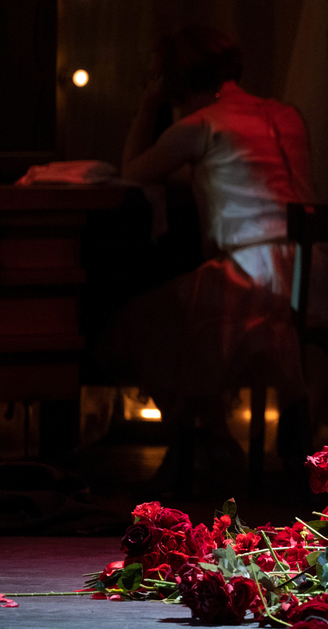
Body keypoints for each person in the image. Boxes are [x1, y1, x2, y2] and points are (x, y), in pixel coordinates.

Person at [104, 26, 312, 495]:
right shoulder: (284, 113)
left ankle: (201, 441)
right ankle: (210, 439)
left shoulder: (202, 125)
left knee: (143, 322)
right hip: (310, 271)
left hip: (252, 274)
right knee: (190, 312)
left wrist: (147, 104)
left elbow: (132, 171)